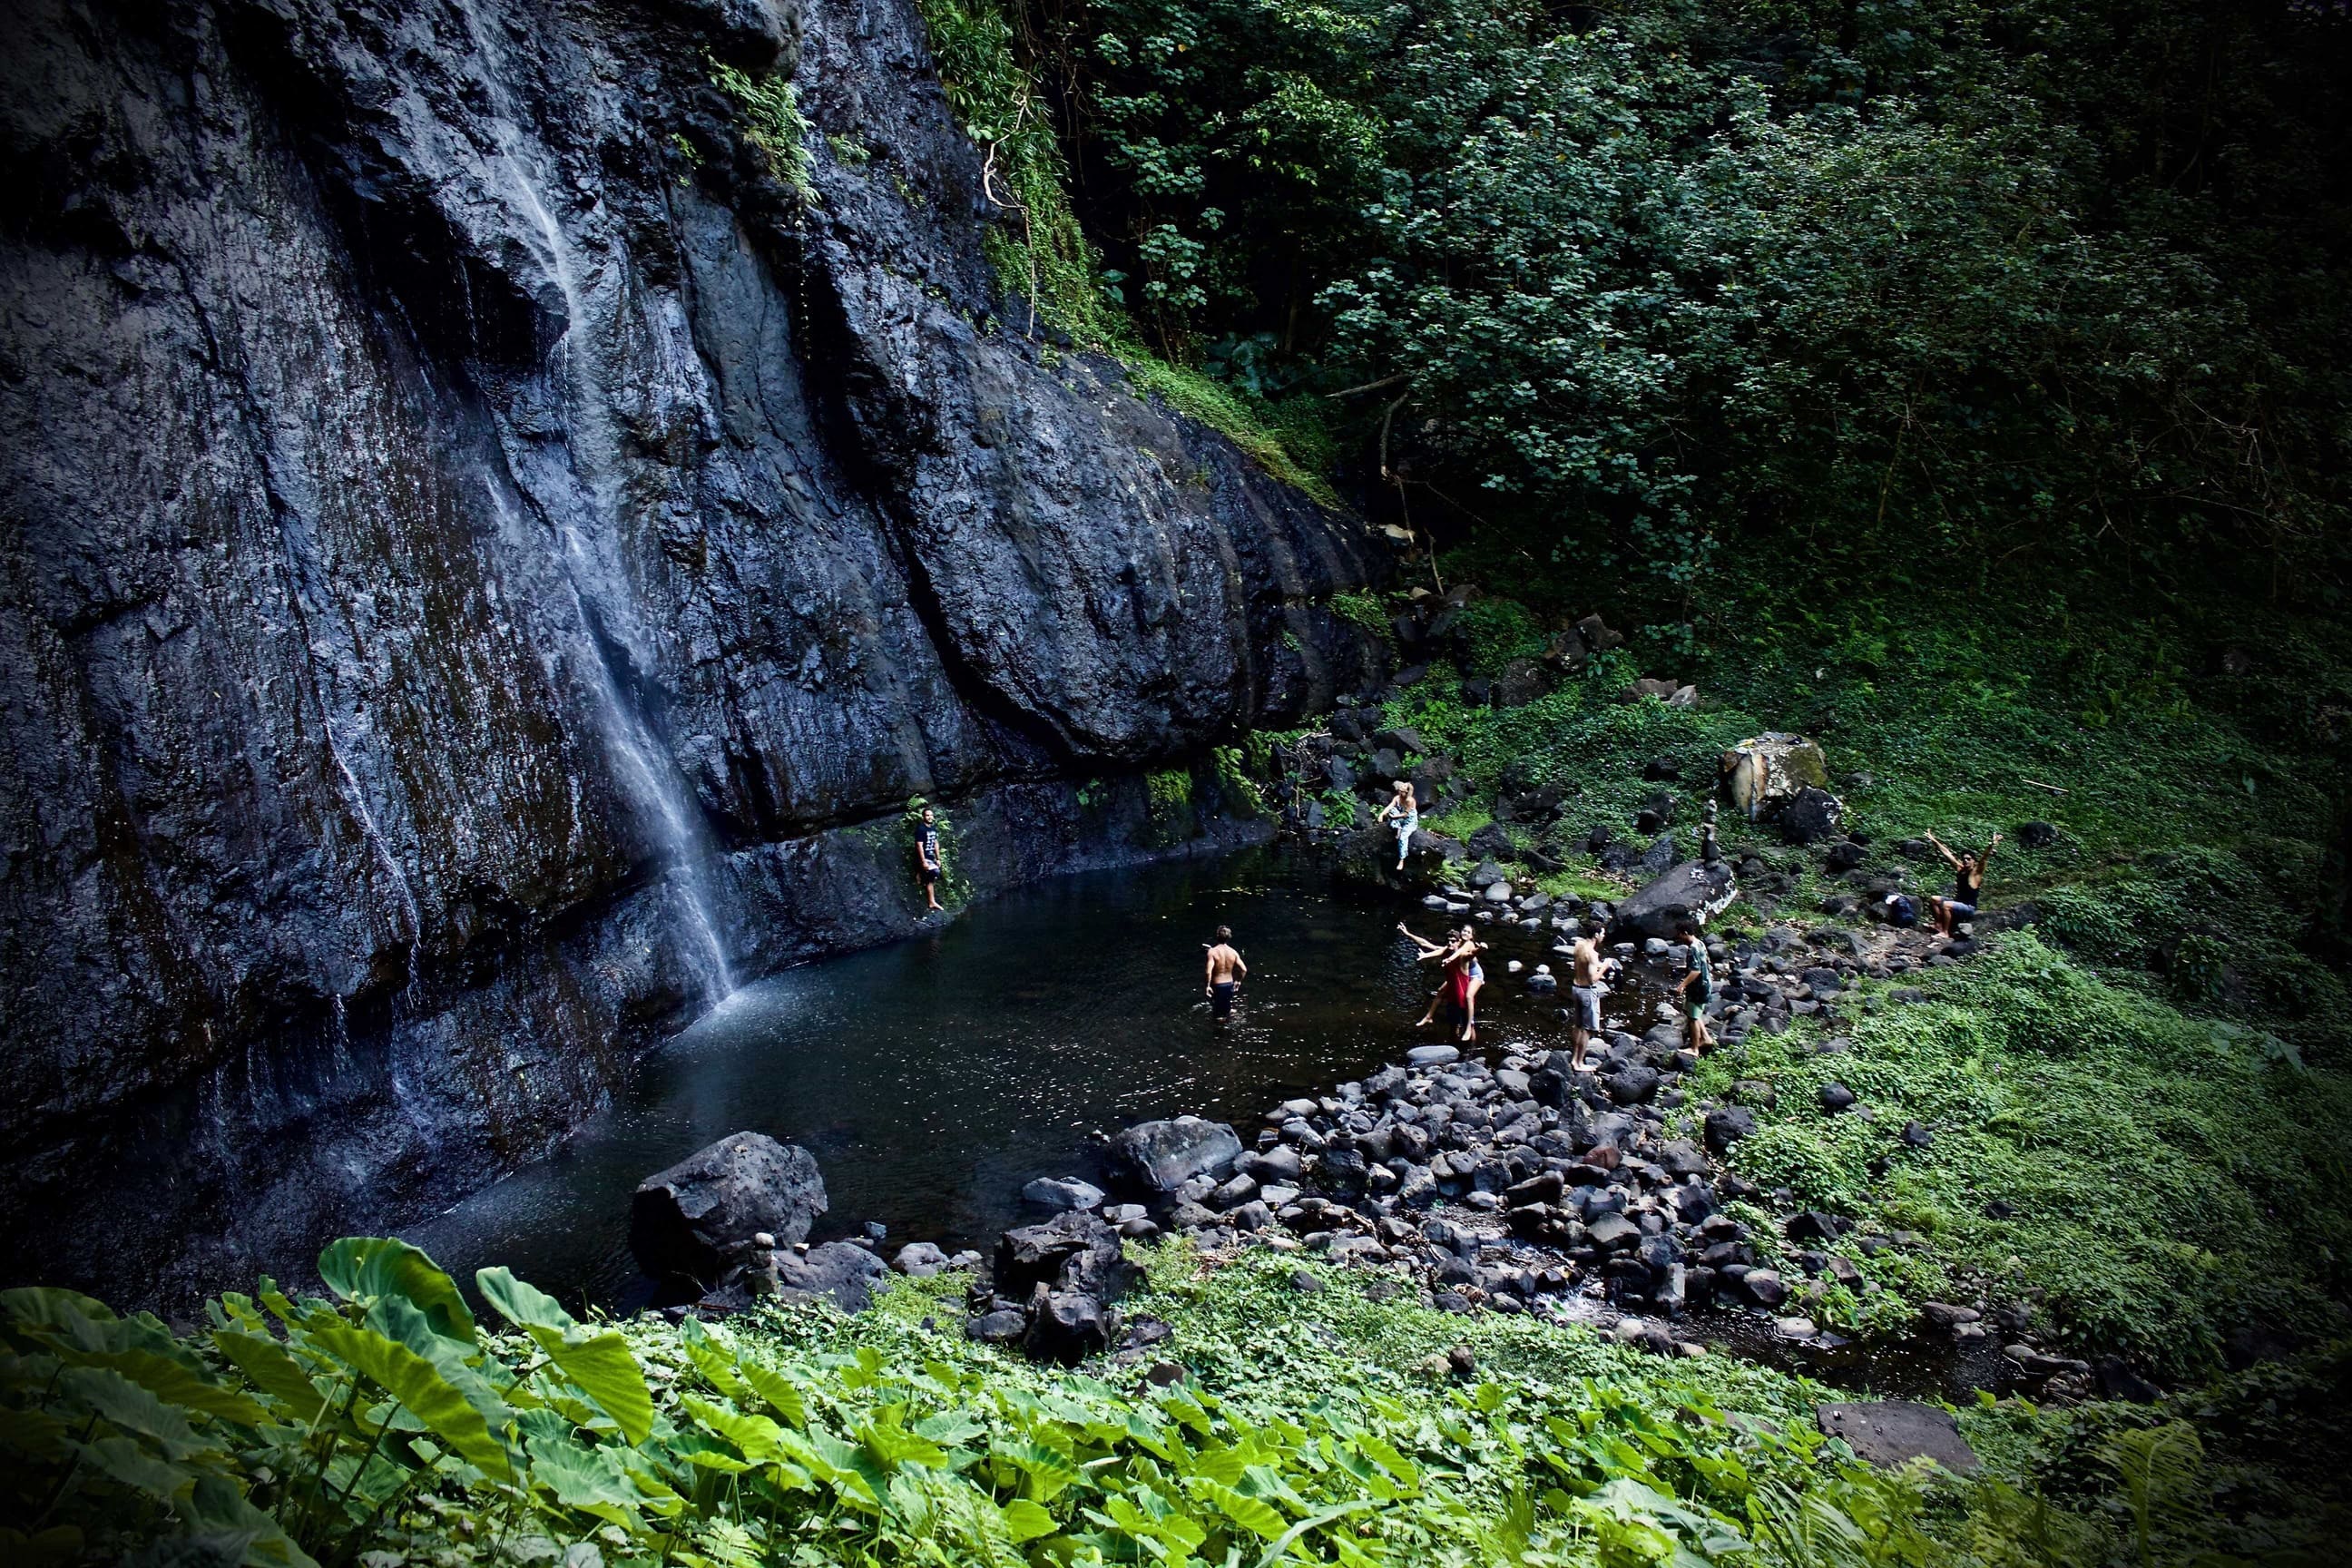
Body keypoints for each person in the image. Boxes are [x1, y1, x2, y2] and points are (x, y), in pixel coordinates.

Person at [1924, 829, 2000, 936]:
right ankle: (1938, 925)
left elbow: (1984, 858)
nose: (1966, 861)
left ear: (1973, 861)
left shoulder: (1975, 873)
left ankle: (1945, 933)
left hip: (1969, 907)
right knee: (1934, 899)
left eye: (1969, 859)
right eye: (1964, 859)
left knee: (1946, 905)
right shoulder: (1960, 869)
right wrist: (1933, 840)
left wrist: (1992, 845)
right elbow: (1947, 853)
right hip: (1958, 902)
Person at [1567, 932, 1617, 1072]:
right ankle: (1579, 1063)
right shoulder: (1592, 954)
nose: (1604, 936)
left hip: (1575, 988)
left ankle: (1573, 1059)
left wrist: (1598, 965)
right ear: (1596, 934)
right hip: (1587, 992)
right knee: (1587, 1029)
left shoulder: (1579, 945)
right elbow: (1593, 979)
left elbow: (1583, 965)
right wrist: (1605, 967)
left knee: (1578, 1025)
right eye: (1602, 933)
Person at [1674, 916, 1715, 1054]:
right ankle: (1706, 1038)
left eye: (1679, 934)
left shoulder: (1692, 948)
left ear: (1685, 932)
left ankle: (1694, 1049)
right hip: (1705, 984)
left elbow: (1696, 971)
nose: (1679, 937)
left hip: (1697, 988)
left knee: (1693, 1018)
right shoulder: (1700, 943)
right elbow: (1705, 963)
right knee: (1694, 1013)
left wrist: (1682, 985)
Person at [1205, 926, 1248, 1019]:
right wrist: (1238, 981)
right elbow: (1244, 969)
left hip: (1217, 985)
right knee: (1226, 1008)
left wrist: (1208, 986)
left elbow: (1208, 972)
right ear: (1229, 937)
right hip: (1229, 984)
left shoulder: (1212, 952)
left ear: (1217, 936)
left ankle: (1220, 1031)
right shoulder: (1233, 952)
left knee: (1217, 1014)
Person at [1377, 779, 1420, 870]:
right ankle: (1398, 828)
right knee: (1392, 811)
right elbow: (1390, 806)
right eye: (1399, 791)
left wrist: (1395, 818)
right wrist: (1382, 815)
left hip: (1409, 821)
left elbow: (1405, 815)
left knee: (1403, 838)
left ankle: (1402, 859)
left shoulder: (1410, 801)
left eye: (1402, 791)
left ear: (1407, 792)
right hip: (1400, 818)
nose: (1400, 793)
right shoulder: (1397, 798)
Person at [916, 807, 944, 912]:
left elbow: (935, 843)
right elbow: (919, 846)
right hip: (923, 858)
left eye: (931, 815)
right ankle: (932, 902)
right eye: (927, 815)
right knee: (934, 872)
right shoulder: (921, 829)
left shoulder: (933, 828)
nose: (930, 817)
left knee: (933, 873)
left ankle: (920, 874)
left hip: (931, 858)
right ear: (923, 817)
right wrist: (923, 861)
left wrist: (938, 858)